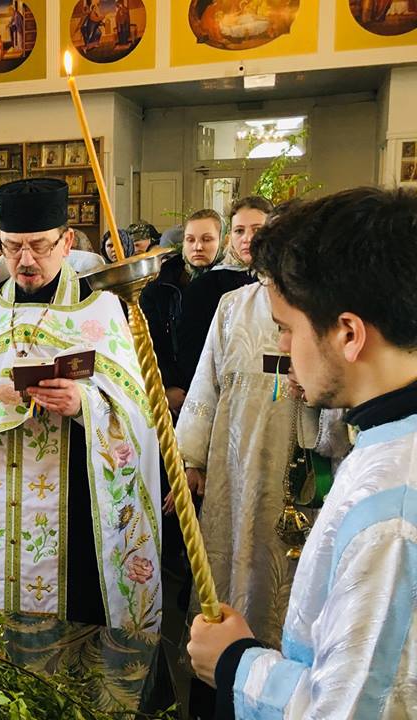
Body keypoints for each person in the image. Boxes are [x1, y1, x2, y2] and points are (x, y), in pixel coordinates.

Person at [188, 187, 417, 719]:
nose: (284, 348)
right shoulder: (388, 438)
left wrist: (234, 664)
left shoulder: (393, 508)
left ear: (349, 335)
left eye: (288, 330)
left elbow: (352, 708)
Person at [0, 178, 161, 628]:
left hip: (75, 513)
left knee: (76, 633)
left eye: (38, 246)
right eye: (12, 248)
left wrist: (84, 402)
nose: (25, 261)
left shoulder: (101, 309)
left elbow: (138, 410)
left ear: (66, 241)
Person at [174, 204, 350, 662]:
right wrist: (191, 459)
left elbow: (347, 403)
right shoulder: (232, 306)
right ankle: (222, 663)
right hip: (234, 463)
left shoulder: (325, 309)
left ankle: (279, 670)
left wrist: (316, 396)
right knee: (229, 563)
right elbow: (205, 382)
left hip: (298, 465)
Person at [175, 196, 273, 390]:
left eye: (257, 230)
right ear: (230, 238)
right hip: (228, 390)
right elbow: (198, 356)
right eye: (239, 231)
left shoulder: (289, 284)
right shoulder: (206, 286)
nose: (247, 238)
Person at [139, 209, 223, 415]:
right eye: (190, 239)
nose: (198, 247)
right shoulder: (159, 286)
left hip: (222, 391)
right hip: (177, 392)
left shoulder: (233, 284)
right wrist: (166, 387)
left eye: (207, 239)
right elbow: (151, 341)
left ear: (223, 241)